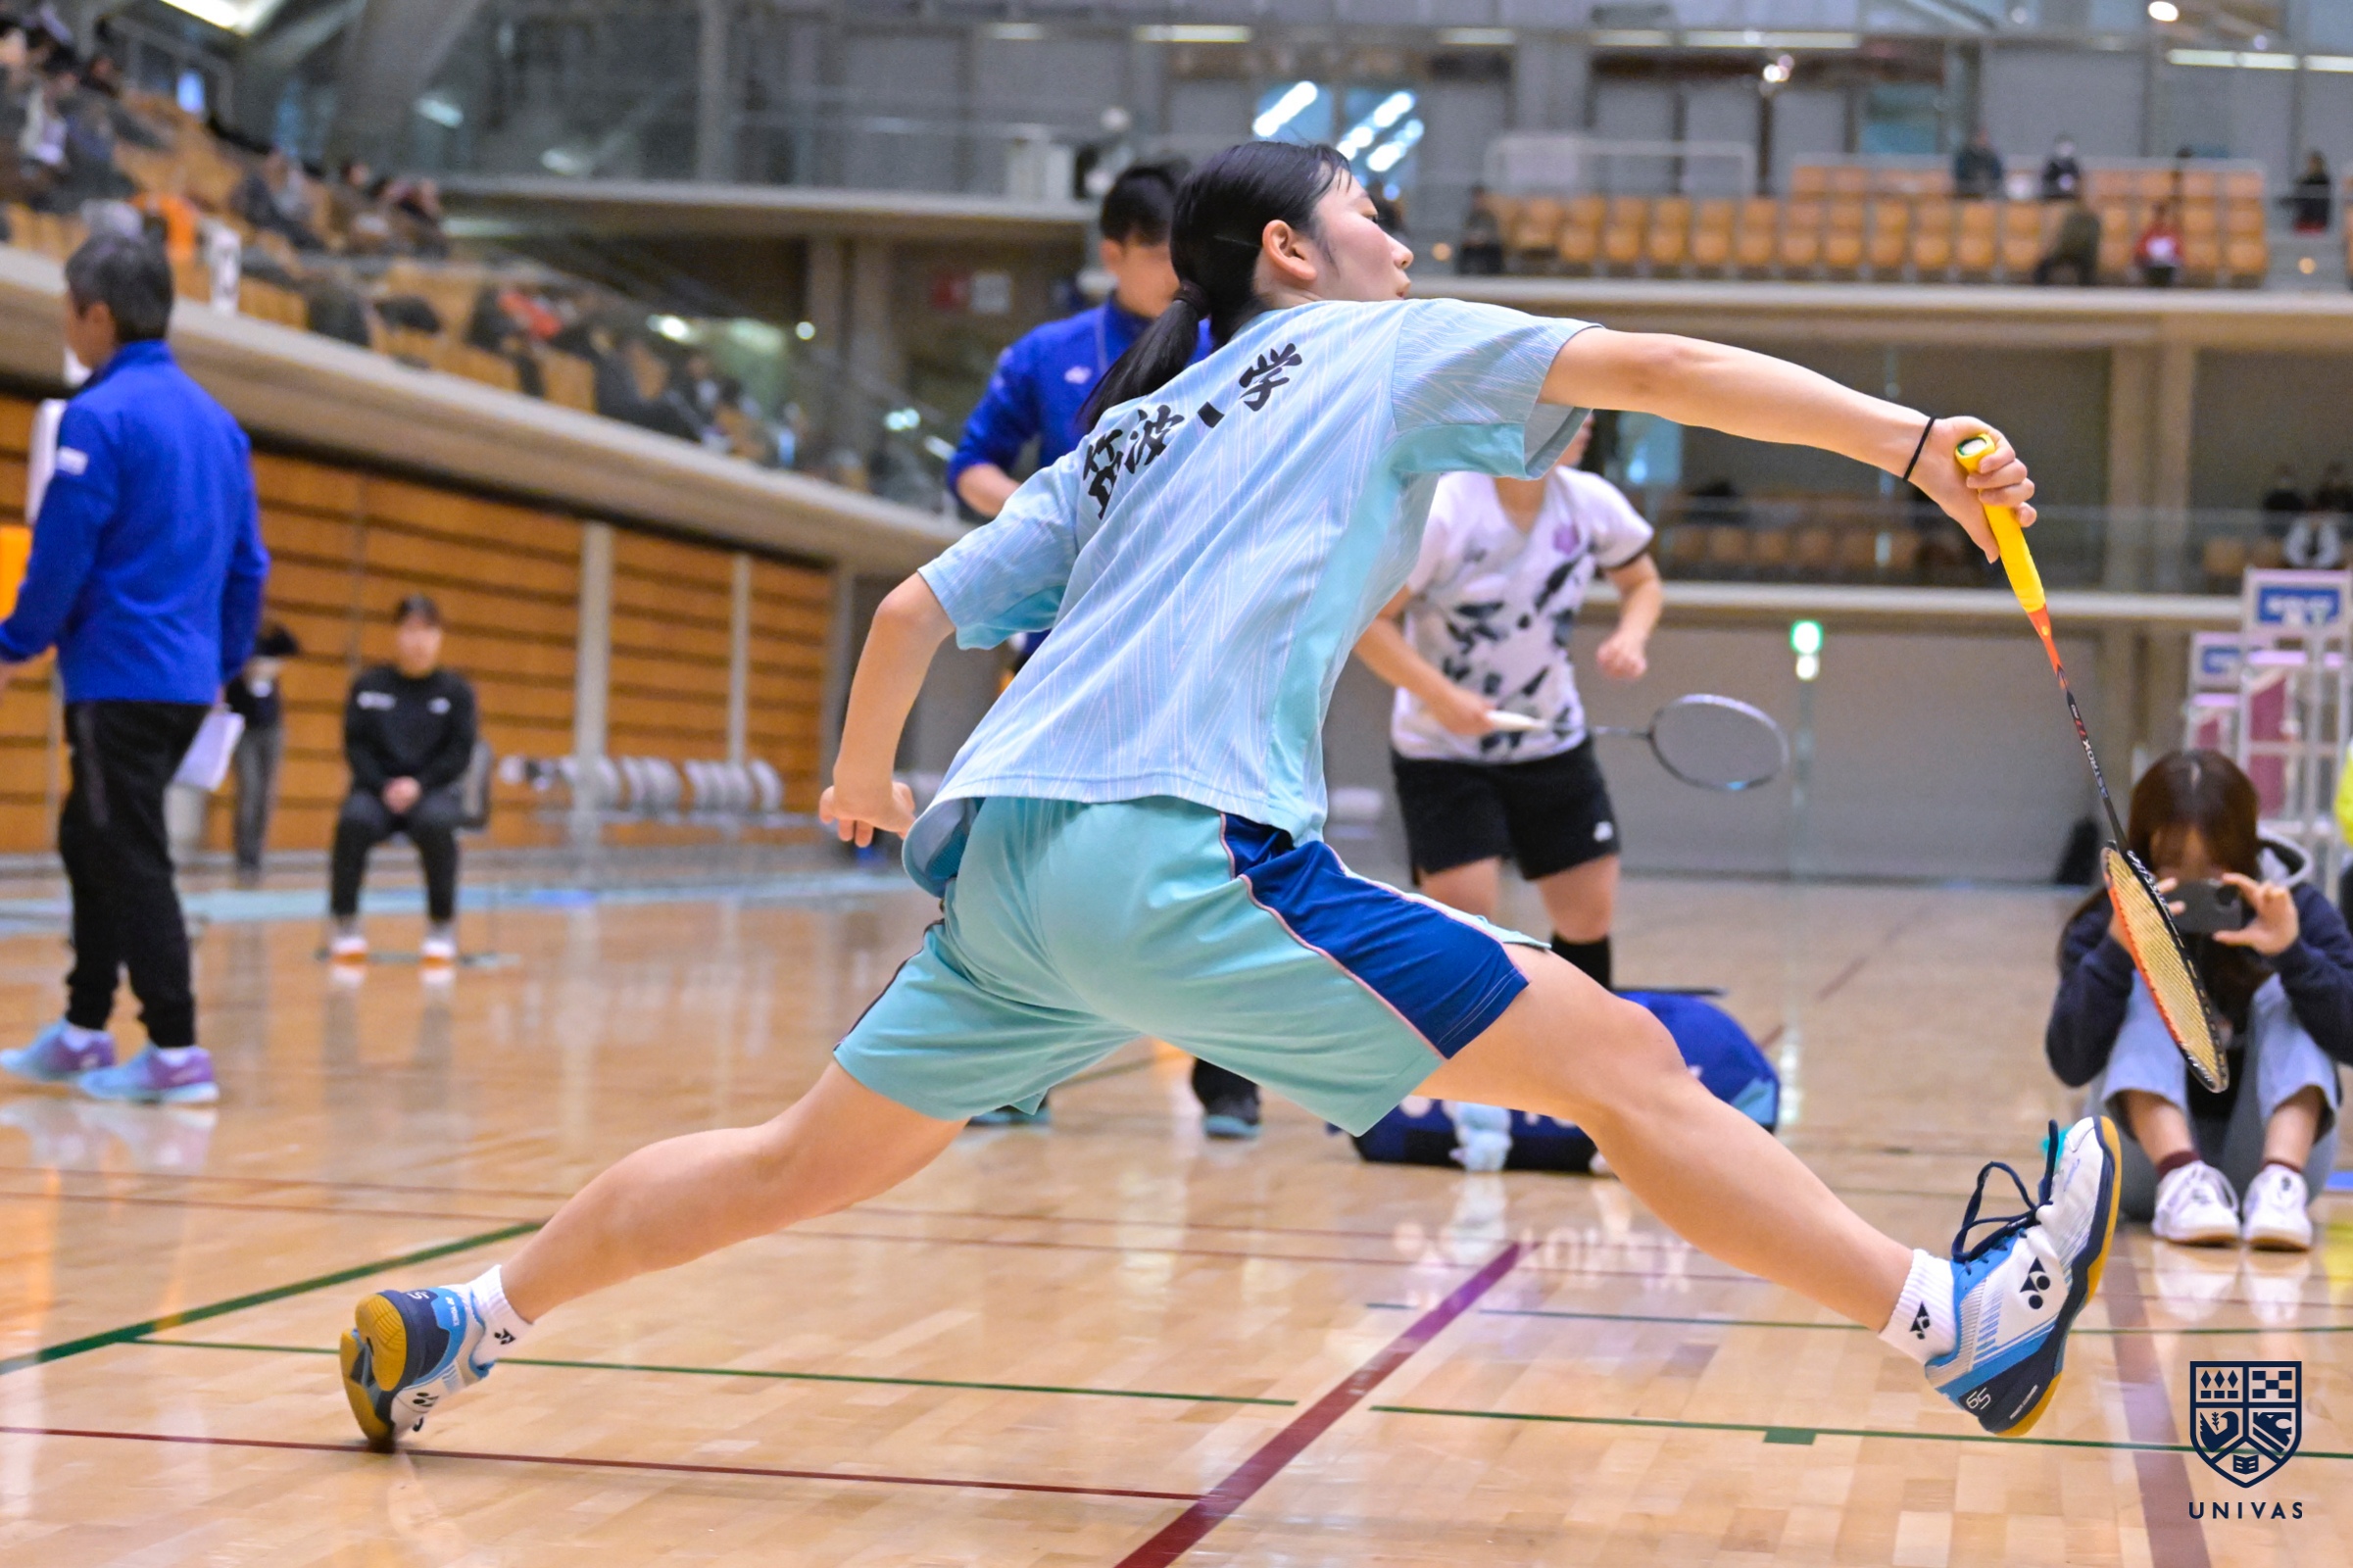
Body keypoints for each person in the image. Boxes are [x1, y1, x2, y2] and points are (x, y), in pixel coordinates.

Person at [340, 142, 2119, 1461]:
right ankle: (1953, 1324)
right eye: (1372, 212)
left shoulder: (1120, 435)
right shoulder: (1372, 346)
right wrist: (1909, 444)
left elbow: (907, 616)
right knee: (1625, 1064)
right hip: (1175, 853)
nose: (1402, 245)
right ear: (1290, 249)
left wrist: (861, 776)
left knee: (791, 1160)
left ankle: (463, 1320)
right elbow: (1653, 370)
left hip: (1005, 875)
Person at [0, 233, 267, 1105]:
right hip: (183, 681)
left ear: (98, 316)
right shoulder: (220, 426)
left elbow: (62, 553)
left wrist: (13, 644)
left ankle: (176, 1048)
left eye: (68, 311)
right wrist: (219, 665)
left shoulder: (99, 416)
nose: (65, 327)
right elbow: (249, 566)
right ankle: (84, 1028)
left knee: (131, 853)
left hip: (119, 680)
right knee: (92, 838)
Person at [1354, 414, 1660, 995]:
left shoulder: (1592, 502)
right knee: (1466, 923)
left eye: (1588, 410)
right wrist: (1441, 696)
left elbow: (1642, 582)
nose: (1588, 421)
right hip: (1443, 751)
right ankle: (1464, 1051)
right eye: (1570, 409)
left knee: (1587, 915)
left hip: (1552, 740)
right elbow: (1370, 622)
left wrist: (1631, 636)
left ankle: (1577, 1045)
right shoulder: (1444, 509)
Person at [2046, 752, 2348, 1250]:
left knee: (2288, 990)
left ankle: (2280, 1184)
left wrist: (2293, 955)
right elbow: (2070, 1063)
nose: (2193, 888)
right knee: (2148, 980)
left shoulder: (2294, 908)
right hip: (2145, 1169)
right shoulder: (2108, 922)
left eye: (2215, 869)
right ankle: (2183, 1177)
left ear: (2247, 854)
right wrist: (2118, 952)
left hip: (2276, 1163)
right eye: (2171, 866)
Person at [946, 164, 1203, 520]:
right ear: (1112, 256)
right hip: (1081, 551)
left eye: (1192, 256)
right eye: (1162, 257)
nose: (1181, 274)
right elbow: (972, 465)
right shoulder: (1047, 351)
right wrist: (1051, 517)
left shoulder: (1235, 343)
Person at [327, 595, 478, 971]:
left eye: (427, 630)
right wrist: (383, 785)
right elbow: (356, 746)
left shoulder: (456, 692)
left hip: (431, 790)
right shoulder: (368, 686)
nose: (418, 640)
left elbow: (459, 753)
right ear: (396, 634)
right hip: (376, 789)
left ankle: (440, 925)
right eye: (410, 630)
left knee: (437, 824)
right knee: (353, 821)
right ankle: (346, 923)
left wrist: (419, 785)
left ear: (439, 636)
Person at [225, 620, 298, 886]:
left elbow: (292, 646)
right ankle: (243, 859)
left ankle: (256, 858)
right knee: (249, 792)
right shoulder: (234, 642)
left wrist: (271, 625)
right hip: (243, 728)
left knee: (266, 796)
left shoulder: (266, 642)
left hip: (271, 728)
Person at [2032, 201, 2101, 286]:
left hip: (2080, 255)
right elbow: (2063, 239)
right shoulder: (2072, 218)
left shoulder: (2094, 223)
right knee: (2044, 265)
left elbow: (2091, 247)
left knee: (2087, 268)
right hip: (2063, 252)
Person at [2134, 202, 2182, 288]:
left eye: (2162, 215)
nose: (2160, 219)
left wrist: (2168, 255)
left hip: (2168, 268)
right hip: (2151, 267)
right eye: (2158, 215)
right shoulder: (2148, 233)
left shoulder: (2171, 233)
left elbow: (2179, 252)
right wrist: (2150, 255)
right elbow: (2139, 250)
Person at [1952, 126, 2004, 200]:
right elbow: (1960, 175)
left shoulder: (1992, 156)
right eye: (1980, 137)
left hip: (1989, 193)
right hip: (1967, 193)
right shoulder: (1964, 155)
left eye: (1985, 137)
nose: (1983, 140)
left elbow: (1997, 175)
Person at [2292, 151, 2331, 234]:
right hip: (2305, 218)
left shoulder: (2323, 180)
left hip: (2317, 219)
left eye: (2313, 163)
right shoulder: (2306, 179)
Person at [2038, 136, 2082, 202]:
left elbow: (2078, 181)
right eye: (2063, 146)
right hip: (2052, 198)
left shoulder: (2073, 165)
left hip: (2070, 199)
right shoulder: (2051, 165)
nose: (2065, 149)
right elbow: (2045, 182)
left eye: (2067, 147)